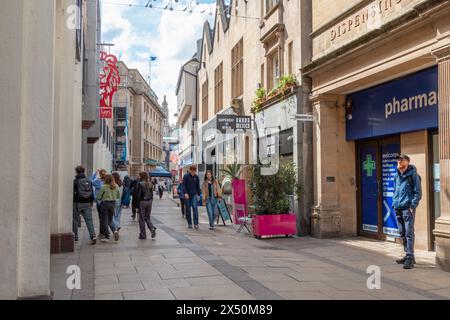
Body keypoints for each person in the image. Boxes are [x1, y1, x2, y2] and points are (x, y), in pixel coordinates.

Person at [393, 154, 422, 270]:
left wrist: (412, 205)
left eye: (402, 160)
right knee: (402, 232)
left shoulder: (413, 175)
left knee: (409, 233)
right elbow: (396, 190)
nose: (399, 162)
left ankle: (410, 257)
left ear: (408, 162)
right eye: (398, 160)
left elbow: (418, 192)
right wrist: (394, 203)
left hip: (407, 208)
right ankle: (407, 254)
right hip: (398, 207)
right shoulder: (397, 175)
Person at [73, 166, 97, 245]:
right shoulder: (88, 181)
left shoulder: (75, 181)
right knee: (89, 220)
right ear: (84, 171)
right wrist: (91, 202)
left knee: (75, 220)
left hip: (77, 203)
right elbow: (92, 193)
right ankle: (93, 236)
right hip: (87, 203)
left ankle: (75, 236)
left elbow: (73, 193)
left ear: (76, 172)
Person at [97, 174, 120, 242]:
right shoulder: (116, 186)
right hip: (112, 204)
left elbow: (99, 197)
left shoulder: (103, 187)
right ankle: (115, 231)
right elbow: (118, 196)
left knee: (104, 220)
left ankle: (107, 236)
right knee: (110, 220)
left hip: (105, 204)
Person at [136, 172, 157, 240]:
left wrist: (137, 205)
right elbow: (152, 194)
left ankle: (143, 234)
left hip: (142, 201)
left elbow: (138, 195)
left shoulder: (140, 184)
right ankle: (152, 228)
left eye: (139, 175)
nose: (138, 176)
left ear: (141, 176)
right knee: (147, 217)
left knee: (141, 219)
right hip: (149, 201)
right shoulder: (150, 183)